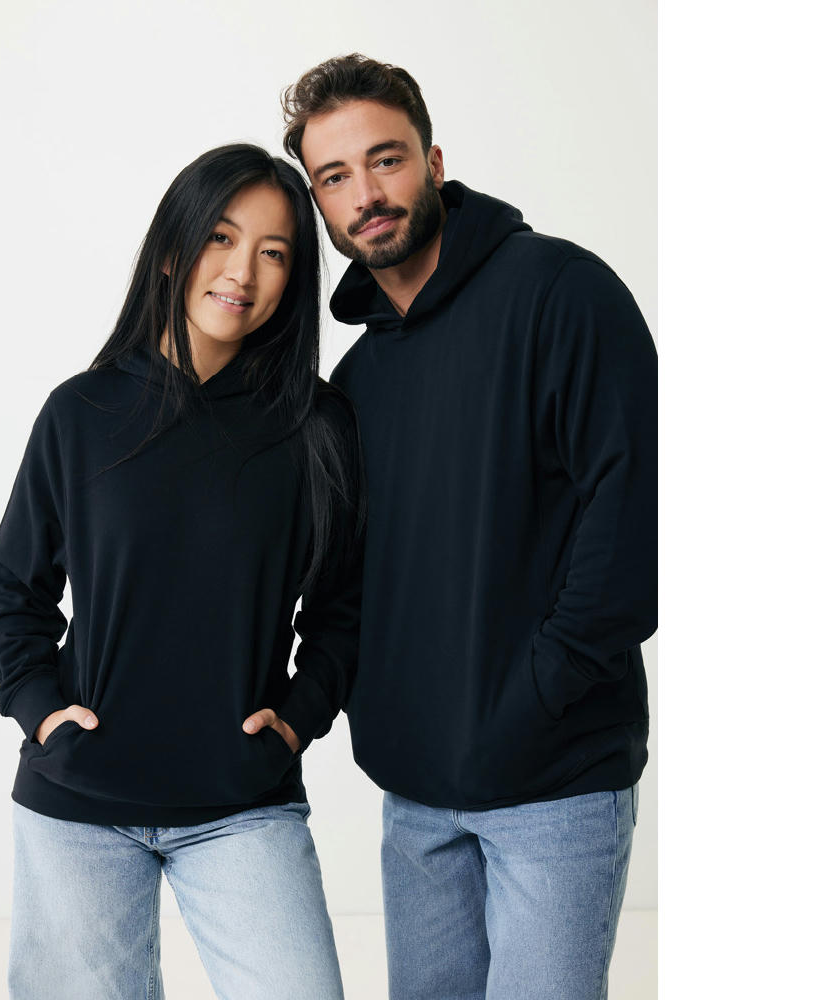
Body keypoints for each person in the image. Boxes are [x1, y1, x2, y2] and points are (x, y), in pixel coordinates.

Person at [281, 54, 657, 1000]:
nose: (366, 195)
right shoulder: (356, 384)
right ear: (319, 204)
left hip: (557, 783)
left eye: (386, 159)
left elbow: (634, 520)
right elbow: (347, 586)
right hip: (416, 800)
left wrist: (538, 697)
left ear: (434, 162)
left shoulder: (562, 294)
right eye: (335, 177)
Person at [0, 143, 362, 1000]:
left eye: (274, 252)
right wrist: (41, 711)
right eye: (221, 239)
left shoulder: (316, 425)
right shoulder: (81, 412)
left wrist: (300, 718)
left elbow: (345, 606)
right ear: (171, 250)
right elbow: (14, 589)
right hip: (79, 803)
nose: (242, 272)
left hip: (242, 803)